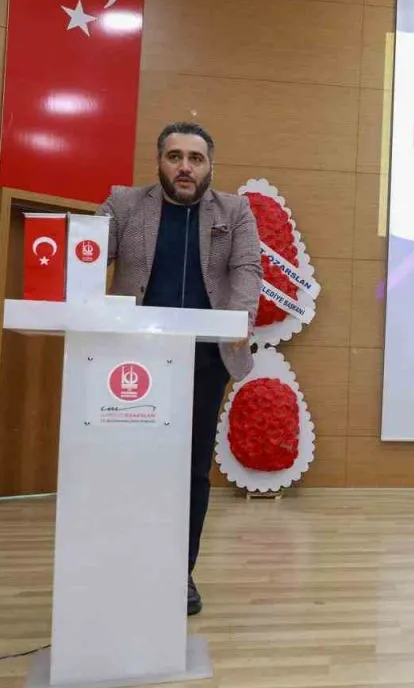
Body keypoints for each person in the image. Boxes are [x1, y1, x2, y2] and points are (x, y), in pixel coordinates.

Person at [97, 122, 263, 615]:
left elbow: (247, 270)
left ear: (210, 165)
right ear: (160, 162)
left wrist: (241, 318)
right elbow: (87, 253)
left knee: (191, 470)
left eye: (195, 158)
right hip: (133, 361)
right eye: (175, 157)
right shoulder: (124, 205)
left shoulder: (234, 211)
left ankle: (179, 572)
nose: (185, 167)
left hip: (205, 359)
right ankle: (126, 564)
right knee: (131, 465)